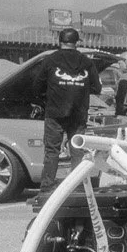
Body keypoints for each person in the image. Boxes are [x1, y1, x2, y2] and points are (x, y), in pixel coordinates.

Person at [37, 27, 98, 192]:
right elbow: (97, 88)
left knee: (52, 150)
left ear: (59, 41)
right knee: (77, 149)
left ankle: (47, 185)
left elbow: (37, 85)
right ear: (77, 42)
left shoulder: (50, 60)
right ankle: (78, 185)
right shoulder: (86, 62)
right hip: (78, 113)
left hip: (54, 112)